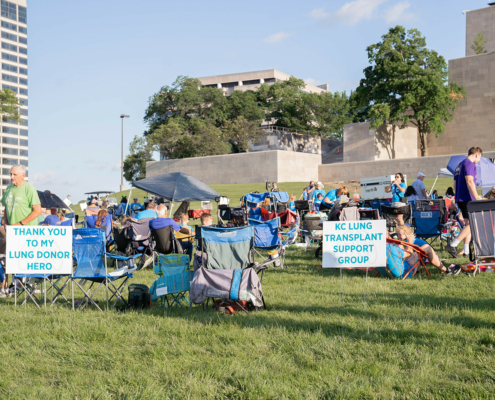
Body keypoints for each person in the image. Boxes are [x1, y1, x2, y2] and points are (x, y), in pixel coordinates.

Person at [0, 164, 42, 297]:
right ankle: (15, 286)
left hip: (27, 231)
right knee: (13, 260)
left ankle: (23, 285)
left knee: (26, 260)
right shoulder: (9, 188)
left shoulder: (29, 188)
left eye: (14, 174)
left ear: (23, 176)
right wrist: (5, 221)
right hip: (12, 231)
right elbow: (6, 207)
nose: (11, 177)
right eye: (11, 174)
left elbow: (38, 211)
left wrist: (20, 223)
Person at [445, 146, 484, 259]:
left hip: (460, 198)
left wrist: (457, 198)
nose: (479, 160)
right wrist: (477, 198)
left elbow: (454, 184)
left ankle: (466, 250)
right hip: (468, 198)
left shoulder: (459, 165)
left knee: (468, 225)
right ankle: (453, 244)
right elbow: (470, 181)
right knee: (473, 224)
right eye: (480, 157)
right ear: (476, 154)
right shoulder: (469, 164)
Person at [396, 225, 461, 275]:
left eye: (400, 234)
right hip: (420, 254)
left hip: (423, 253)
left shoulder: (409, 240)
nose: (398, 236)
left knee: (419, 250)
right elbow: (409, 252)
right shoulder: (408, 240)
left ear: (406, 234)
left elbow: (410, 251)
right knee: (419, 250)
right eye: (398, 234)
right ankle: (444, 270)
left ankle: (443, 269)